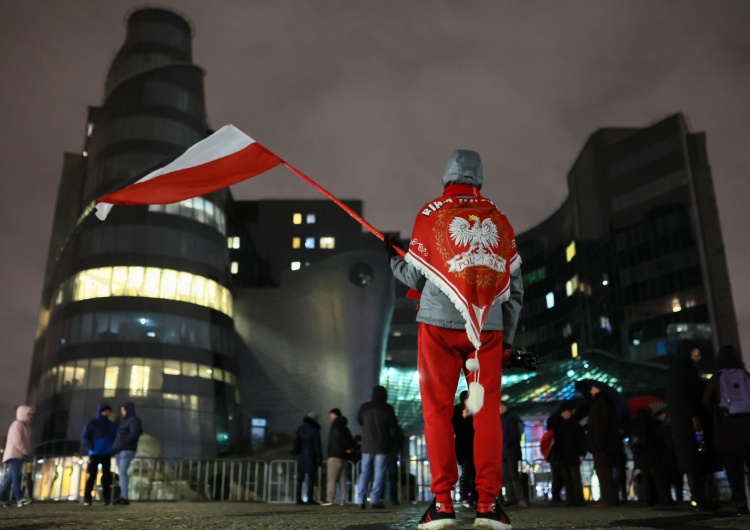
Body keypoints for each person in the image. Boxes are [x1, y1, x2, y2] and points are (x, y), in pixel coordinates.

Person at [388, 149, 523, 529]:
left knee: (437, 412)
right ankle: (489, 507)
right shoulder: (499, 219)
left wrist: (391, 257)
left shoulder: (430, 214)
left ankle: (443, 506)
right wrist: (506, 337)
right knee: (486, 416)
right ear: (479, 179)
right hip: (487, 327)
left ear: (446, 178)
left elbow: (417, 277)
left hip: (438, 325)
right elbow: (515, 287)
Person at [666, 339, 716, 511]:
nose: (699, 357)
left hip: (688, 422)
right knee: (694, 461)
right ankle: (699, 498)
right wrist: (694, 416)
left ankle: (701, 498)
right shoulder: (681, 370)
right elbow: (681, 395)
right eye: (696, 353)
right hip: (688, 424)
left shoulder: (683, 370)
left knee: (697, 461)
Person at [703, 345, 750, 516]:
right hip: (748, 431)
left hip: (726, 432)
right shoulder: (745, 376)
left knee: (733, 470)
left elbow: (706, 403)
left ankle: (741, 504)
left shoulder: (717, 378)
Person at [356, 385, 398, 509]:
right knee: (379, 473)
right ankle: (374, 500)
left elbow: (359, 421)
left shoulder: (364, 407)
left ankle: (360, 500)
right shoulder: (388, 409)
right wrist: (391, 443)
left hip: (367, 445)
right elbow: (393, 429)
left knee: (365, 472)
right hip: (382, 445)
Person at [585, 383, 622, 507]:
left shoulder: (601, 402)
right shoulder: (603, 401)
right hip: (603, 443)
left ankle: (609, 499)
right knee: (604, 472)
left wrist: (597, 442)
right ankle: (609, 498)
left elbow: (600, 425)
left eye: (592, 388)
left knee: (604, 472)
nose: (590, 391)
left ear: (598, 389)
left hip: (602, 445)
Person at [629, 408, 672, 506]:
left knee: (644, 479)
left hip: (640, 455)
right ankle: (665, 500)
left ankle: (646, 500)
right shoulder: (654, 424)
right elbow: (660, 441)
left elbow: (632, 441)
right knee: (658, 479)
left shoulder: (635, 425)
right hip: (653, 454)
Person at [548, 402, 586, 507]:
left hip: (571, 455)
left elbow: (581, 440)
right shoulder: (562, 426)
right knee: (568, 479)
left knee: (573, 478)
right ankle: (572, 499)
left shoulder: (572, 425)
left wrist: (582, 453)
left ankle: (576, 500)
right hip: (565, 456)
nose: (565, 414)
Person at [81, 403, 118, 506]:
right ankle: (87, 499)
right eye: (105, 411)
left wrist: (113, 448)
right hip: (95, 454)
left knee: (107, 477)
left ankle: (107, 499)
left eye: (108, 411)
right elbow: (85, 437)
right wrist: (91, 446)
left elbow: (116, 438)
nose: (107, 413)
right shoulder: (92, 423)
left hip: (107, 454)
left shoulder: (112, 425)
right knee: (92, 476)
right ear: (100, 411)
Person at [0, 405, 33, 508]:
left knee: (10, 478)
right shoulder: (17, 424)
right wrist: (25, 451)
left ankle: (0, 498)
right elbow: (17, 441)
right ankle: (19, 498)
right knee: (16, 476)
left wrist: (25, 452)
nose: (31, 416)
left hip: (18, 454)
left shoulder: (25, 426)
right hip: (14, 454)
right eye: (29, 414)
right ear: (23, 414)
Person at [322, 408, 354, 506]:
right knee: (342, 479)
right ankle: (342, 500)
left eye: (330, 414)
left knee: (331, 478)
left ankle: (329, 499)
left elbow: (337, 437)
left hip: (335, 455)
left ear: (335, 415)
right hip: (344, 456)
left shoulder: (335, 425)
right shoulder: (345, 427)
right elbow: (349, 438)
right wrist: (349, 448)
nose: (329, 417)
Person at [112, 402, 143, 506]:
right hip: (120, 451)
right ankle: (122, 495)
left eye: (124, 410)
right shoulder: (125, 422)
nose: (122, 412)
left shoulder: (134, 420)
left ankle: (124, 496)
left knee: (123, 473)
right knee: (121, 474)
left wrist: (123, 443)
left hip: (126, 450)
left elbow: (134, 434)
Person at [452, 390, 477, 507]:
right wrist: (463, 417)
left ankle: (474, 496)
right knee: (466, 471)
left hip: (474, 445)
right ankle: (464, 496)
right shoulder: (457, 410)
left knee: (474, 472)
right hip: (463, 446)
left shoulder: (476, 410)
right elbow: (455, 427)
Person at [500, 401, 527, 508]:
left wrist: (504, 444)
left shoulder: (511, 418)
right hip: (503, 452)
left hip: (510, 451)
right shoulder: (501, 418)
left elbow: (514, 435)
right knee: (506, 476)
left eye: (501, 406)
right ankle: (511, 498)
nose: (500, 409)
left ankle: (520, 498)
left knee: (513, 475)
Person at [294, 412, 323, 505]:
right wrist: (319, 458)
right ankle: (309, 498)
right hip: (311, 456)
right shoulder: (314, 430)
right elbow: (317, 446)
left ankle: (298, 498)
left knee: (300, 478)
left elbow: (296, 442)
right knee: (310, 478)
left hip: (300, 456)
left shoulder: (300, 428)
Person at [387, 423, 405, 505]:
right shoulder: (398, 430)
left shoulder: (383, 427)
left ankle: (379, 497)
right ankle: (393, 498)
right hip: (393, 455)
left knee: (380, 476)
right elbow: (401, 443)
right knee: (393, 478)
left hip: (382, 454)